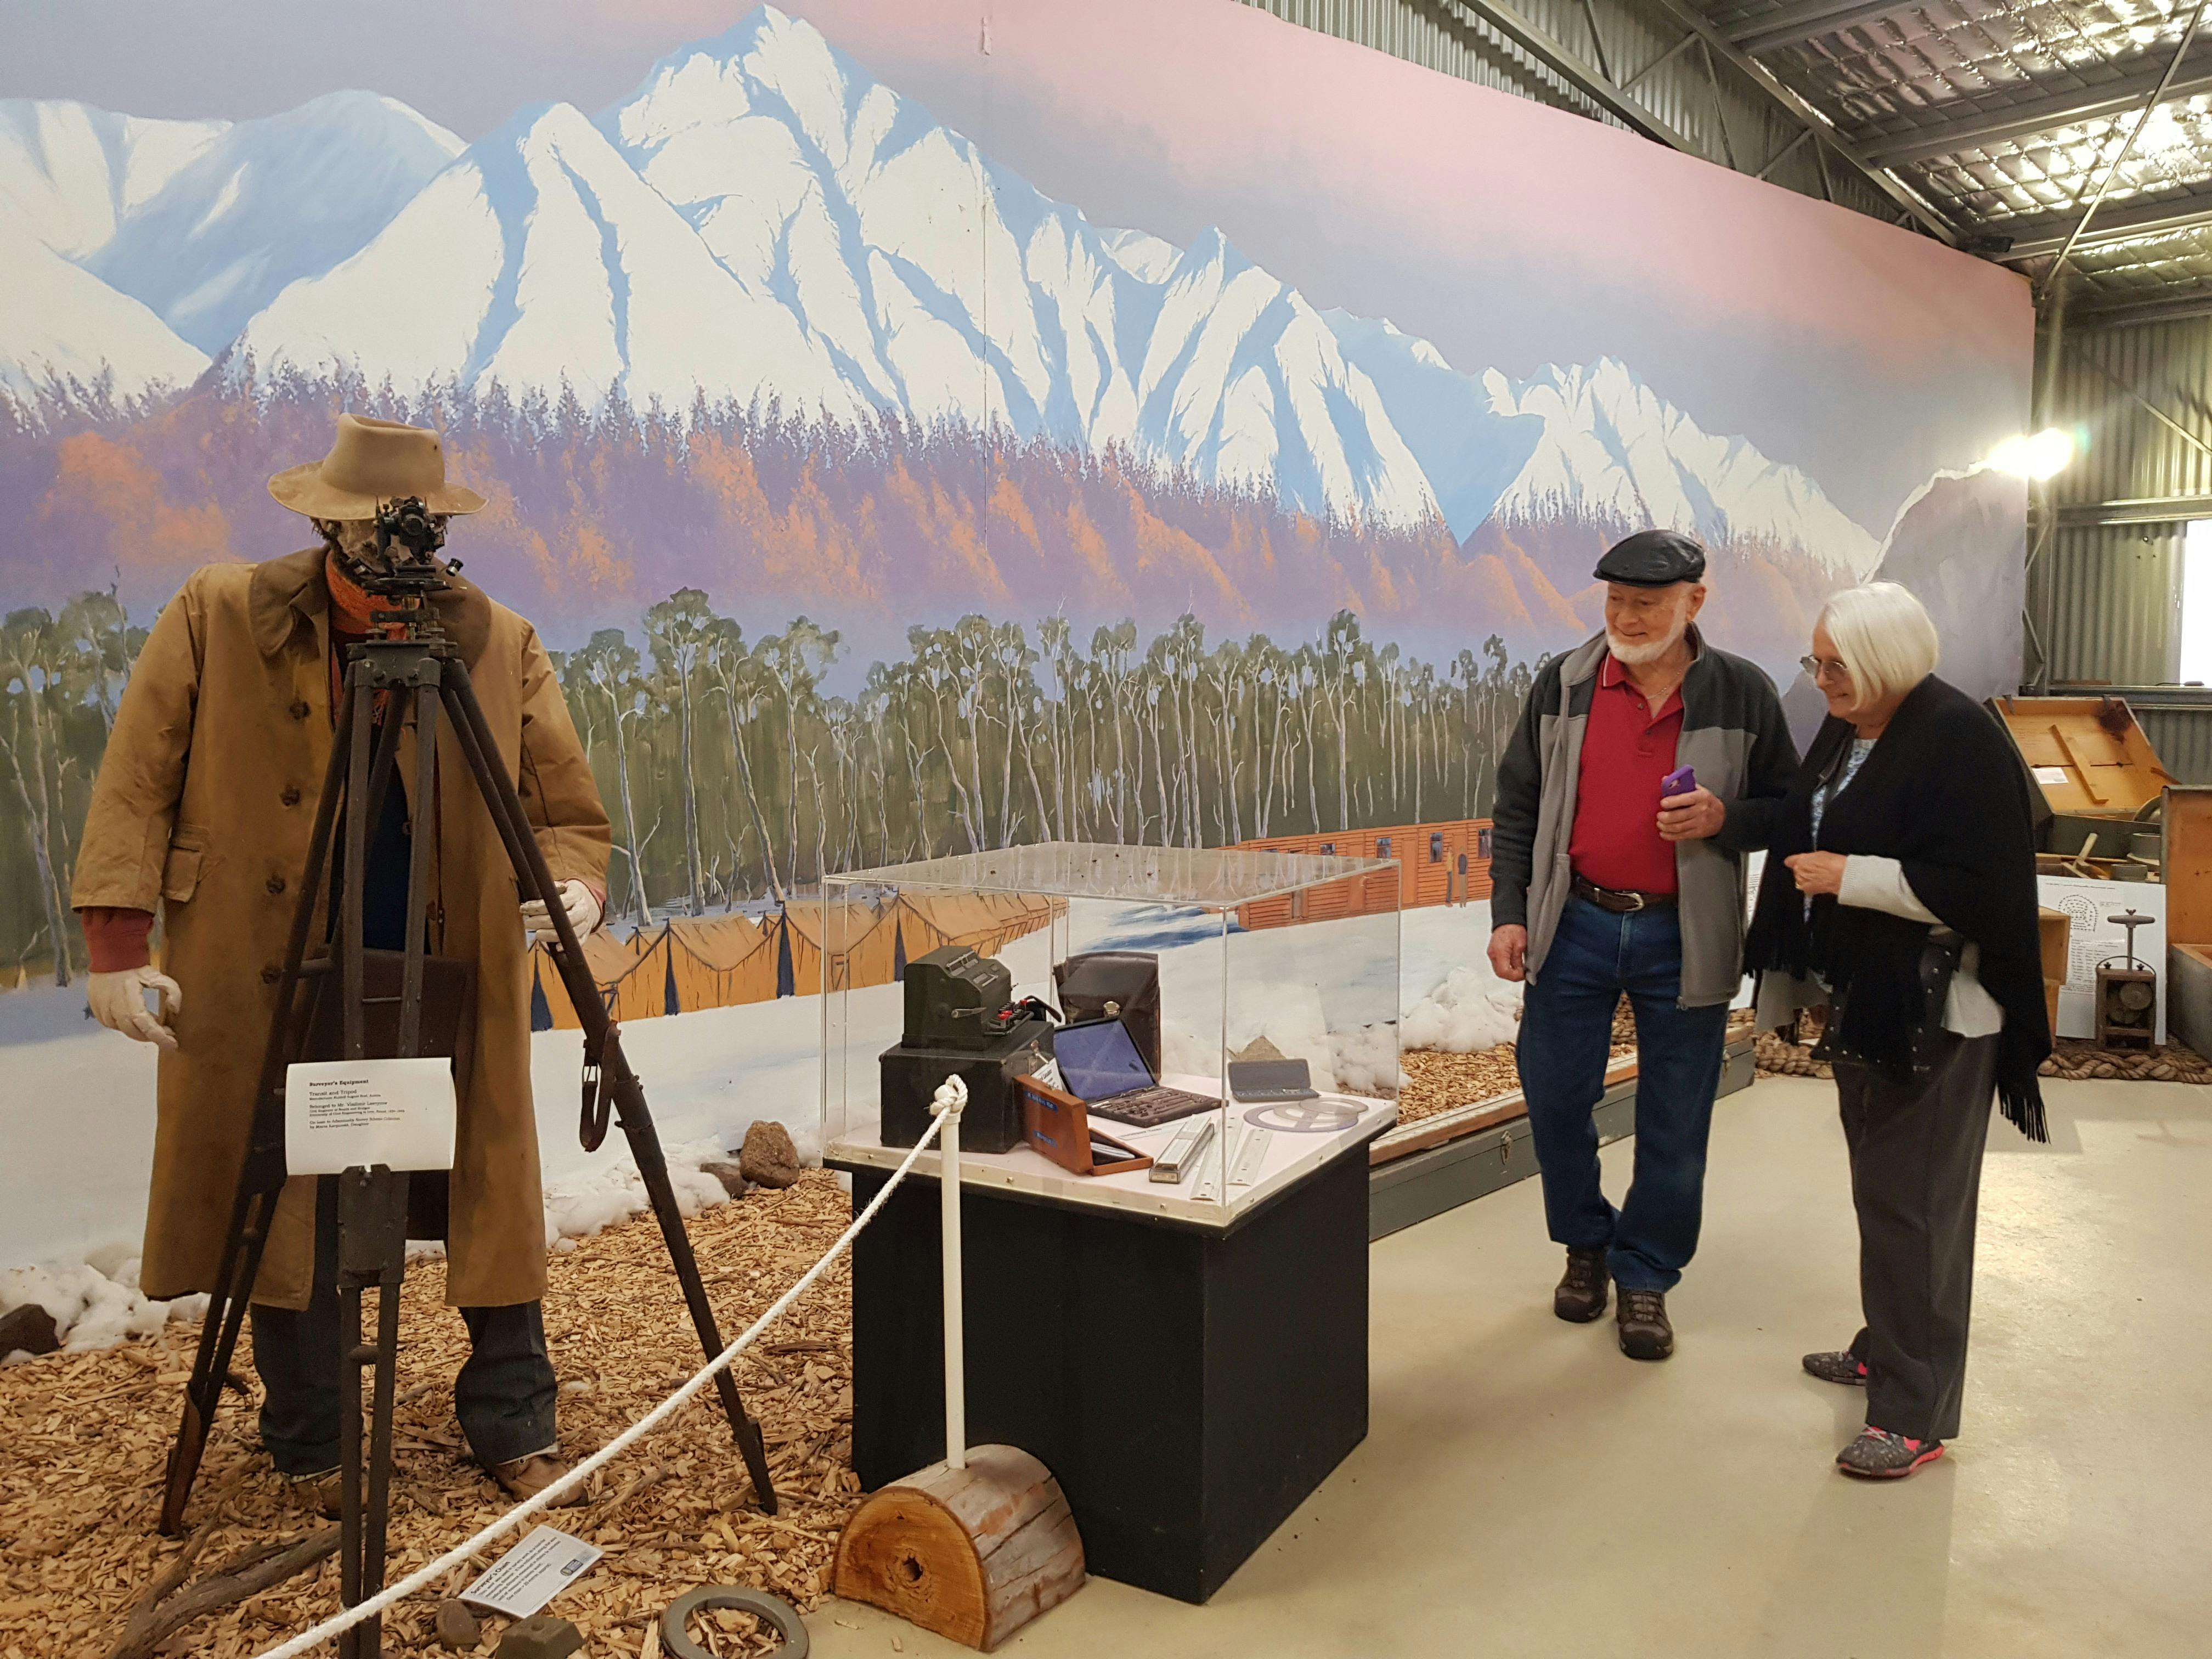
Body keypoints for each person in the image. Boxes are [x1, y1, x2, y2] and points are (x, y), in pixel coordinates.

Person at [70, 414, 612, 1510]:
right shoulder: (217, 615)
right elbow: (137, 778)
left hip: (444, 960)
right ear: (325, 522)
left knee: (486, 1186)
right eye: (367, 528)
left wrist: (577, 887)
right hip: (272, 964)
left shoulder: (497, 639)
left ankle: (513, 1419)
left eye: (408, 529)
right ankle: (310, 1434)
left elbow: (568, 812)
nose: (393, 551)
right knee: (289, 1192)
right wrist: (117, 944)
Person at [1738, 582, 2050, 1478]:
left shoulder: (1959, 740)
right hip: (1870, 999)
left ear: (1887, 663)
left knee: (1915, 1207)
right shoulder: (1855, 726)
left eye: (1838, 665)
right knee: (1884, 1189)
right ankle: (1886, 1345)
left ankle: (1913, 1414)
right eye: (1817, 661)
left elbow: (1985, 892)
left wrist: (1851, 877)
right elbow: (1807, 815)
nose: (1822, 680)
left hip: (1939, 1013)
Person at [1488, 529, 1797, 1359]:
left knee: (1676, 1112)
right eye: (1615, 601)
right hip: (1574, 922)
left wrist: (1727, 820)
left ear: (1695, 602)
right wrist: (1509, 913)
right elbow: (1517, 807)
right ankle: (1584, 1244)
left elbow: (1793, 810)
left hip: (1684, 933)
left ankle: (1648, 1274)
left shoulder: (1743, 693)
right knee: (1554, 1097)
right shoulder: (1565, 682)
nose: (1626, 617)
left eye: (1647, 604)